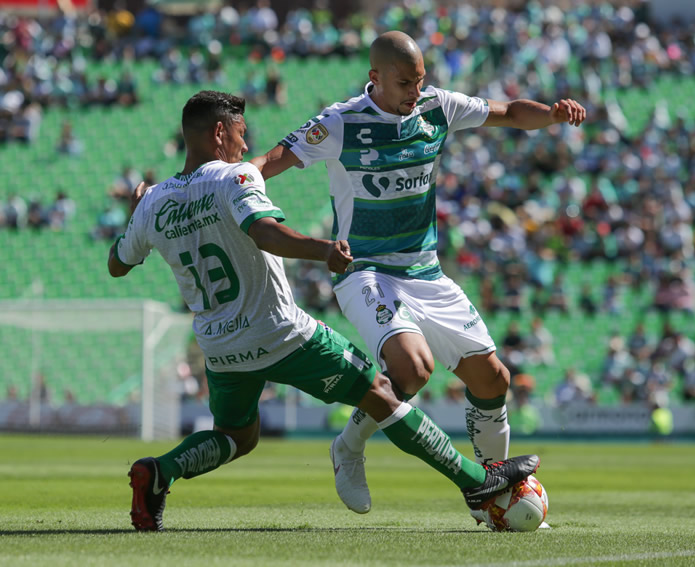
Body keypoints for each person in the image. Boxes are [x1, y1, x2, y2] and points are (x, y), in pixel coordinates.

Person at [109, 90, 539, 532]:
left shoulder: (154, 202)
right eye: (241, 133)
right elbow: (265, 233)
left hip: (219, 346)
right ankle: (475, 482)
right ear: (219, 132)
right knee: (383, 393)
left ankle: (159, 472)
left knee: (237, 436)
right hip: (279, 331)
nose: (245, 145)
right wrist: (324, 250)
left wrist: (136, 211)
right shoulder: (233, 178)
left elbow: (117, 265)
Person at [248, 30, 585, 522]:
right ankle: (348, 447)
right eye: (405, 82)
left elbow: (511, 113)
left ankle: (492, 487)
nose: (414, 90)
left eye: (420, 79)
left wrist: (551, 114)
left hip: (425, 272)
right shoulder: (340, 123)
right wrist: (228, 184)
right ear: (375, 78)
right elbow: (267, 163)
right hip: (365, 272)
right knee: (412, 369)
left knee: (493, 379)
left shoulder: (437, 107)